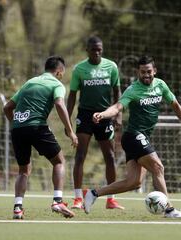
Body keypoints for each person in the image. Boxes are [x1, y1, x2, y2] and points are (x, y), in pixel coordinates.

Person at [83, 55, 181, 219]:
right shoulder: (133, 89)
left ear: (154, 71)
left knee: (133, 182)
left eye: (149, 71)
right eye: (142, 72)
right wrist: (103, 114)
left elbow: (175, 104)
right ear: (138, 73)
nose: (146, 75)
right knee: (158, 167)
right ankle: (169, 210)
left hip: (141, 138)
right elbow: (118, 107)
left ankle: (93, 194)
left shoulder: (161, 85)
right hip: (134, 136)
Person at [3, 56, 78, 219]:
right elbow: (59, 104)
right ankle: (57, 201)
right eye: (62, 74)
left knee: (24, 170)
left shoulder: (29, 83)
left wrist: (17, 123)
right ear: (59, 72)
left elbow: (7, 107)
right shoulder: (57, 84)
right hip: (37, 126)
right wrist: (70, 131)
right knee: (59, 161)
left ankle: (17, 208)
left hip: (18, 129)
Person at [66, 36, 124, 210]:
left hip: (105, 115)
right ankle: (77, 198)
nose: (97, 52)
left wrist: (118, 115)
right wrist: (67, 120)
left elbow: (117, 91)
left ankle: (111, 199)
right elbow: (72, 95)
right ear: (87, 50)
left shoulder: (111, 66)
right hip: (85, 115)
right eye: (93, 49)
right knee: (80, 155)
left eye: (99, 49)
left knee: (110, 157)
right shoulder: (79, 69)